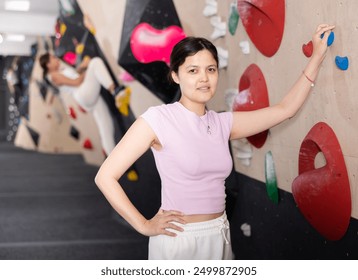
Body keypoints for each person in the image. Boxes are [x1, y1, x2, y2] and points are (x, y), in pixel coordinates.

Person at [94, 24, 335, 260]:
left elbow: (285, 109)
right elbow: (105, 176)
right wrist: (144, 225)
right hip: (179, 241)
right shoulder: (158, 119)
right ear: (175, 75)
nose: (204, 78)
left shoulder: (222, 123)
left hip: (220, 234)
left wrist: (316, 57)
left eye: (211, 69)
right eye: (193, 71)